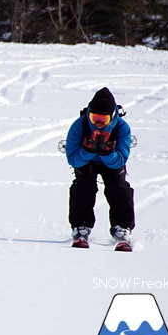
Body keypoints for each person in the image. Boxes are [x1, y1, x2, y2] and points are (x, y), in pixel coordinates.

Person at [65, 87, 135, 250]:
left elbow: (120, 160)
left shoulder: (122, 128)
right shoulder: (79, 126)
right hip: (86, 159)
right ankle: (81, 227)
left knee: (119, 187)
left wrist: (106, 152)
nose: (98, 123)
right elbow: (73, 159)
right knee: (83, 186)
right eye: (94, 117)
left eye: (103, 119)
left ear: (112, 117)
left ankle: (122, 227)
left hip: (111, 161)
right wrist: (88, 150)